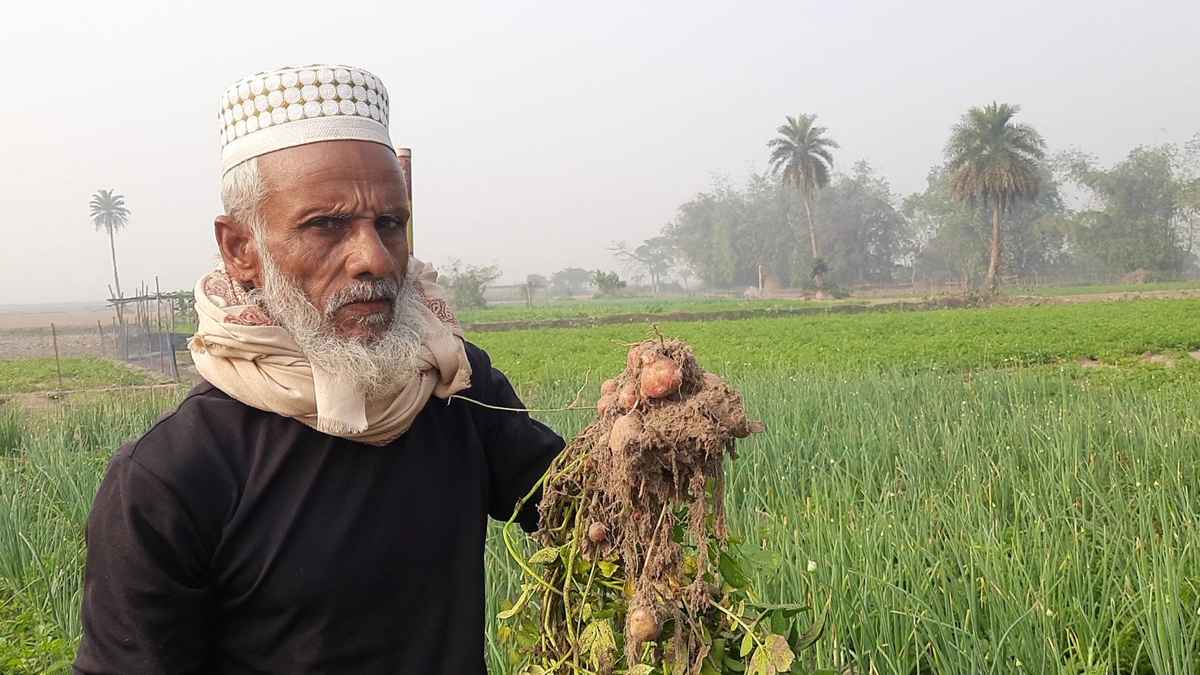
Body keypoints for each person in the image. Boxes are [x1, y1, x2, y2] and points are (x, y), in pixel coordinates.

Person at [73, 64, 564, 674]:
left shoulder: (455, 387)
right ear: (240, 249)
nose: (373, 259)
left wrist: (649, 430)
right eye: (325, 225)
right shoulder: (173, 474)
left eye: (390, 223)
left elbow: (578, 507)